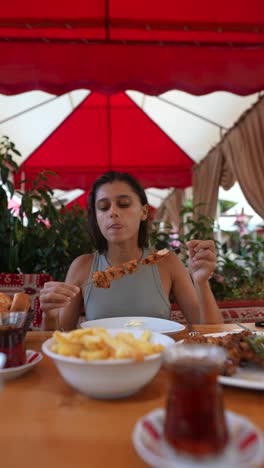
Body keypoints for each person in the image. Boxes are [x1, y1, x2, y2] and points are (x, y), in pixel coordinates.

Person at [40, 171, 222, 330]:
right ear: (96, 218)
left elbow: (208, 332)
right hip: (102, 365)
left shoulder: (168, 263)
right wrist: (50, 316)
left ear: (144, 212)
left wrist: (201, 282)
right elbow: (58, 338)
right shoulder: (82, 267)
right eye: (103, 207)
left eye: (124, 204)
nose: (113, 212)